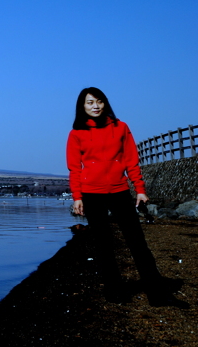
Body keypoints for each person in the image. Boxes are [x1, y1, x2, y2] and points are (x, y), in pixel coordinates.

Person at [66, 87, 185, 307]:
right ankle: (114, 291)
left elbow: (131, 160)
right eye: (90, 102)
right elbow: (74, 168)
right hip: (91, 193)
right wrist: (77, 197)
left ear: (105, 103)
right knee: (104, 245)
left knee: (138, 243)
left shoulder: (121, 127)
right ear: (82, 107)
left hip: (120, 191)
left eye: (99, 101)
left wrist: (140, 189)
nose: (95, 106)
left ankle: (158, 295)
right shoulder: (76, 133)